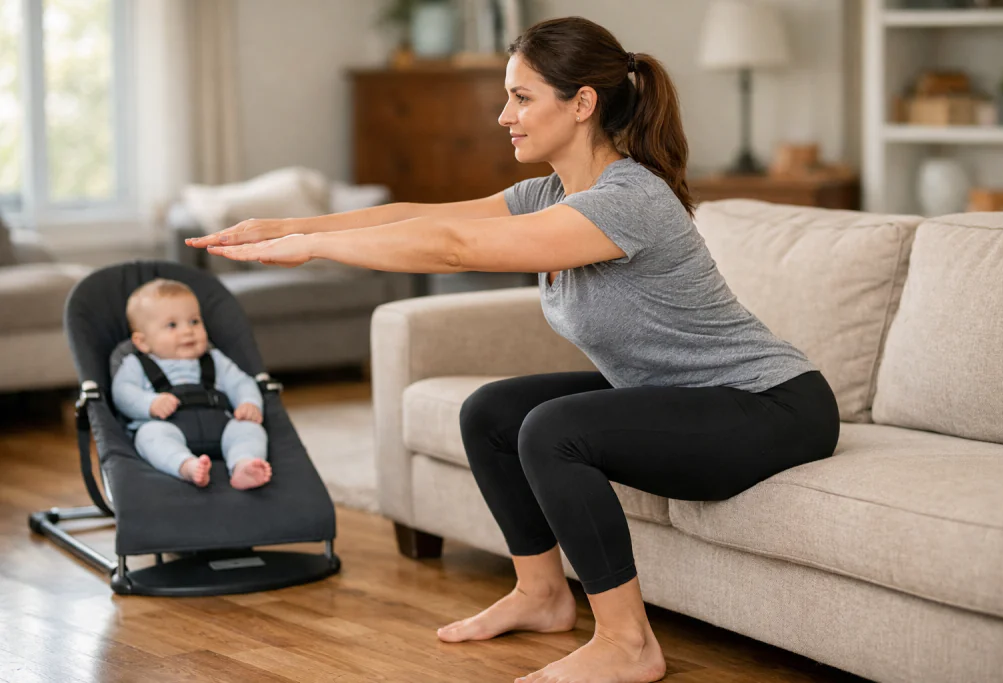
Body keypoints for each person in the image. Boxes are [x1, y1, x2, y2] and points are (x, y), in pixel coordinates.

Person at [186, 16, 840, 683]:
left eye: (522, 97)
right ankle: (541, 594)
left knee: (554, 430)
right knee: (491, 411)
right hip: (683, 398)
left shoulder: (630, 199)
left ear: (582, 103)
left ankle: (628, 643)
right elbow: (424, 216)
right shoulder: (549, 193)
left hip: (770, 406)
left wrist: (315, 249)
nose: (505, 115)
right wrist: (293, 224)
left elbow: (453, 248)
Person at [112, 278, 272, 490]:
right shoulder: (136, 364)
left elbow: (241, 382)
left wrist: (248, 402)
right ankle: (186, 465)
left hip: (220, 426)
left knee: (249, 429)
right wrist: (149, 403)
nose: (188, 331)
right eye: (172, 325)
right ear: (142, 342)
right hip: (169, 427)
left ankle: (243, 464)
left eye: (194, 321)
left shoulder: (214, 359)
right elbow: (122, 392)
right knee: (149, 436)